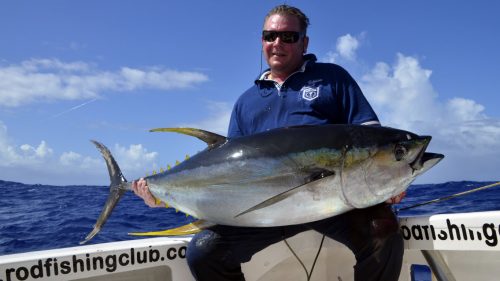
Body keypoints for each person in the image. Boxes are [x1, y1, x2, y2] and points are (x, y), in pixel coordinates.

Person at [133, 4, 404, 281]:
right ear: (262, 41)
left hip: (335, 204)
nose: (277, 43)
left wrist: (391, 180)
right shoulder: (245, 102)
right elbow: (230, 173)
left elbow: (374, 144)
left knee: (384, 233)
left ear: (304, 42)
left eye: (288, 36)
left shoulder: (333, 79)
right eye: (270, 36)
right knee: (204, 253)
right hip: (266, 211)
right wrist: (162, 196)